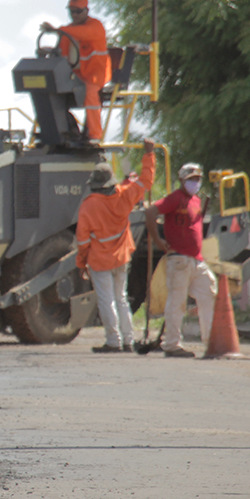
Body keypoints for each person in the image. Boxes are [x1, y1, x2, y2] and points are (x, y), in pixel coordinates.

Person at [76, 138, 157, 352]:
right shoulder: (125, 194)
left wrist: (81, 263)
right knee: (121, 299)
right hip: (122, 257)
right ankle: (129, 341)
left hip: (99, 261)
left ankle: (114, 341)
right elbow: (146, 181)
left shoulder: (88, 206)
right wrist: (149, 154)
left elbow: (82, 241)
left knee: (107, 300)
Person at [144, 162, 217, 357]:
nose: (195, 183)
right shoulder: (175, 198)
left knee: (209, 293)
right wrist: (158, 239)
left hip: (195, 259)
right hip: (179, 259)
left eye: (197, 179)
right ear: (182, 180)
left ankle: (211, 341)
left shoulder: (196, 200)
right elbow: (151, 212)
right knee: (177, 302)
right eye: (191, 179)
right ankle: (172, 344)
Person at [41, 0, 111, 143]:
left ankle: (94, 135)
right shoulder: (68, 32)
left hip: (95, 74)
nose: (74, 15)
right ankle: (59, 132)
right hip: (76, 75)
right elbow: (61, 56)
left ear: (86, 11)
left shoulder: (95, 26)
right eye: (72, 11)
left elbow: (84, 33)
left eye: (78, 11)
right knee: (49, 91)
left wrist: (56, 30)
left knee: (90, 92)